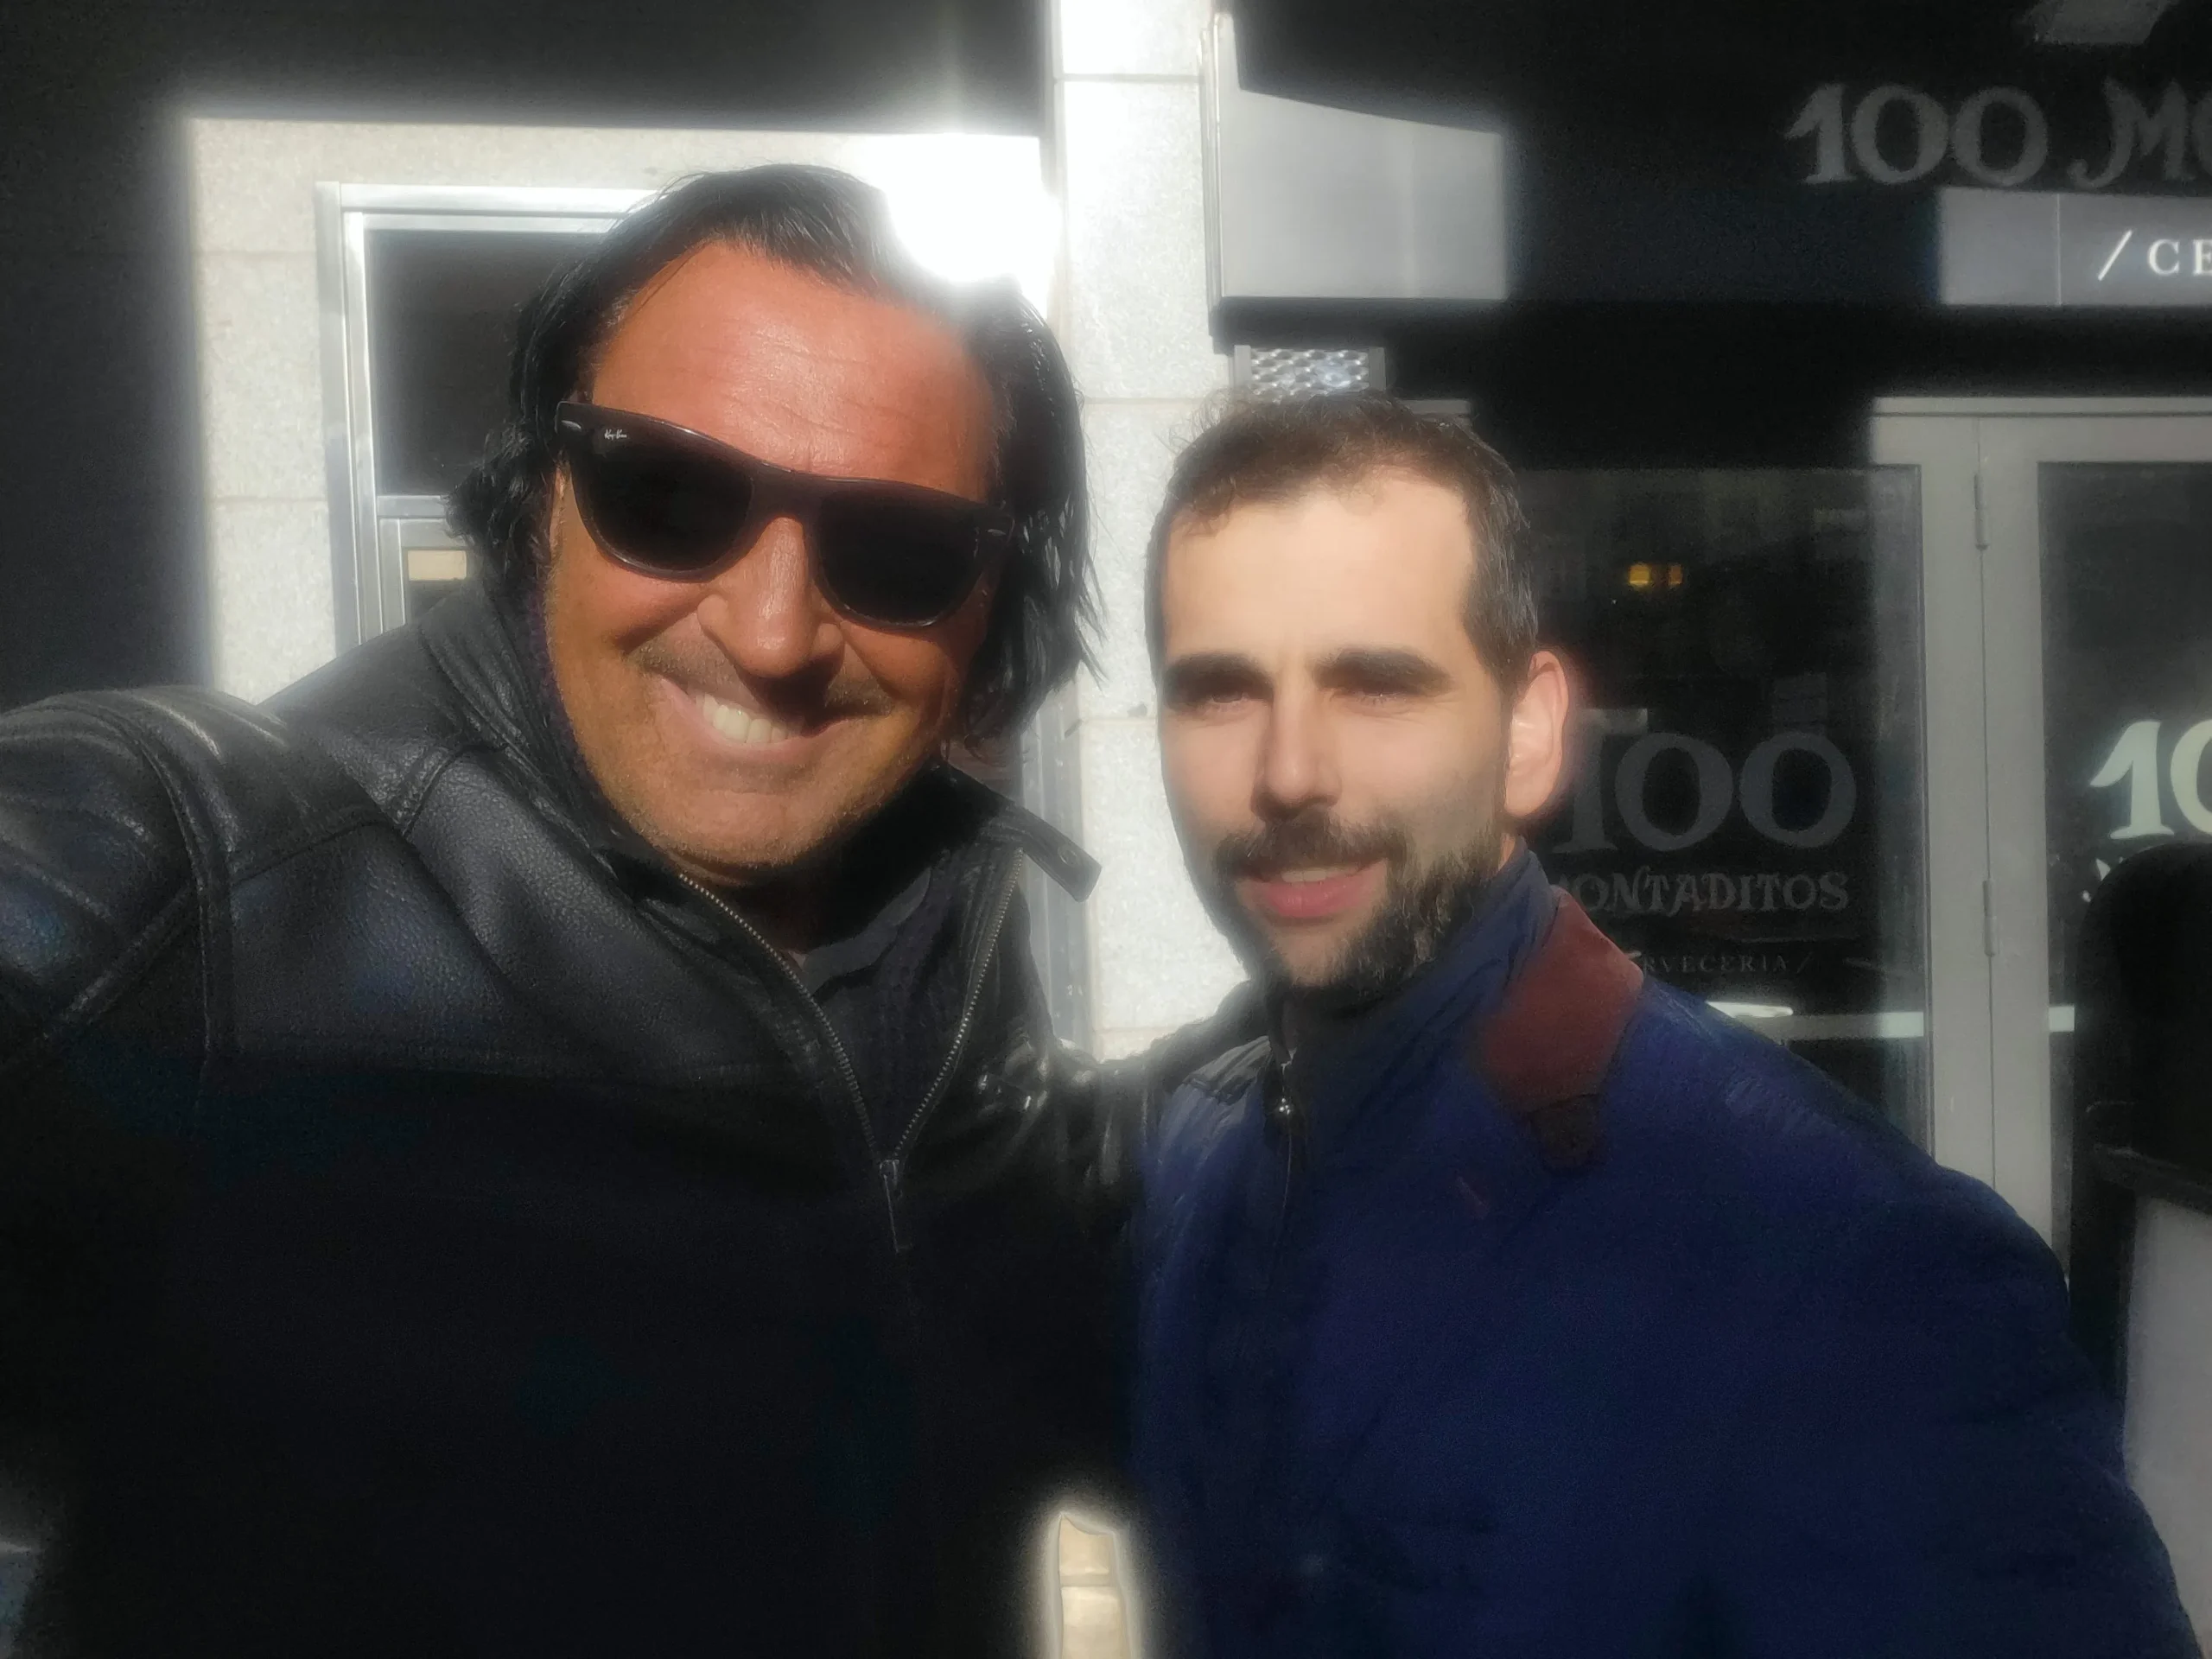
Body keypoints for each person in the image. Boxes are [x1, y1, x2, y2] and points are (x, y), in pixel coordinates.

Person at [0, 166, 1128, 1657]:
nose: (772, 633)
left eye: (897, 549)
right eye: (670, 496)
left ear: (993, 602)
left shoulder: (953, 933)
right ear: (543, 496)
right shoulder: (202, 880)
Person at [1128, 392, 2199, 1658]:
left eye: (1376, 685)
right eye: (1220, 692)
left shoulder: (1852, 1274)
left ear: (1529, 732)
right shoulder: (1200, 1158)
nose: (1289, 773)